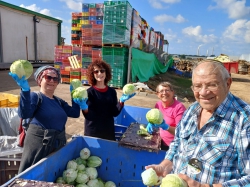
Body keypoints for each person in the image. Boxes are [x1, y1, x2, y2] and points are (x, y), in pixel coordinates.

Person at [145, 59, 250, 186]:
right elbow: (178, 141)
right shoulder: (192, 109)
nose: (203, 93)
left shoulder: (244, 120)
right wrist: (166, 165)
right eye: (198, 86)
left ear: (227, 83)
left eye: (212, 84)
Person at [9, 65, 83, 173]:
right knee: (32, 173)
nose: (52, 81)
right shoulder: (35, 96)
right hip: (38, 146)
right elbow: (24, 114)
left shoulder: (58, 101)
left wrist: (75, 96)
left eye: (55, 79)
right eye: (48, 77)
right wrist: (25, 90)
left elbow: (75, 113)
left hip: (56, 145)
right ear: (40, 79)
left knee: (50, 174)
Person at [75, 59, 135, 141]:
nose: (99, 73)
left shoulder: (112, 91)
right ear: (92, 74)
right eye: (96, 71)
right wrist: (84, 108)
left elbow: (115, 112)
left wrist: (121, 101)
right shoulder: (89, 93)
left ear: (106, 73)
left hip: (108, 130)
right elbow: (90, 116)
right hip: (93, 131)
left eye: (102, 71)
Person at [147, 82, 186, 151]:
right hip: (160, 141)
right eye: (161, 91)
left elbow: (181, 132)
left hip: (174, 146)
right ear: (158, 94)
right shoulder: (158, 105)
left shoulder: (179, 108)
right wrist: (151, 123)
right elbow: (155, 119)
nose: (164, 93)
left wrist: (166, 126)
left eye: (167, 90)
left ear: (172, 92)